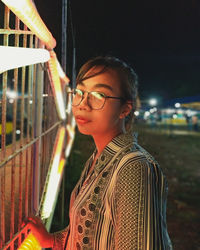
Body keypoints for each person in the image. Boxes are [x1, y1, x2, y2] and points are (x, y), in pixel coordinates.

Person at [25, 56, 172, 249]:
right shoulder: (99, 159)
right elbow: (92, 232)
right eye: (79, 92)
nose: (83, 104)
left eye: (99, 95)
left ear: (125, 109)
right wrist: (51, 240)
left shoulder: (134, 168)